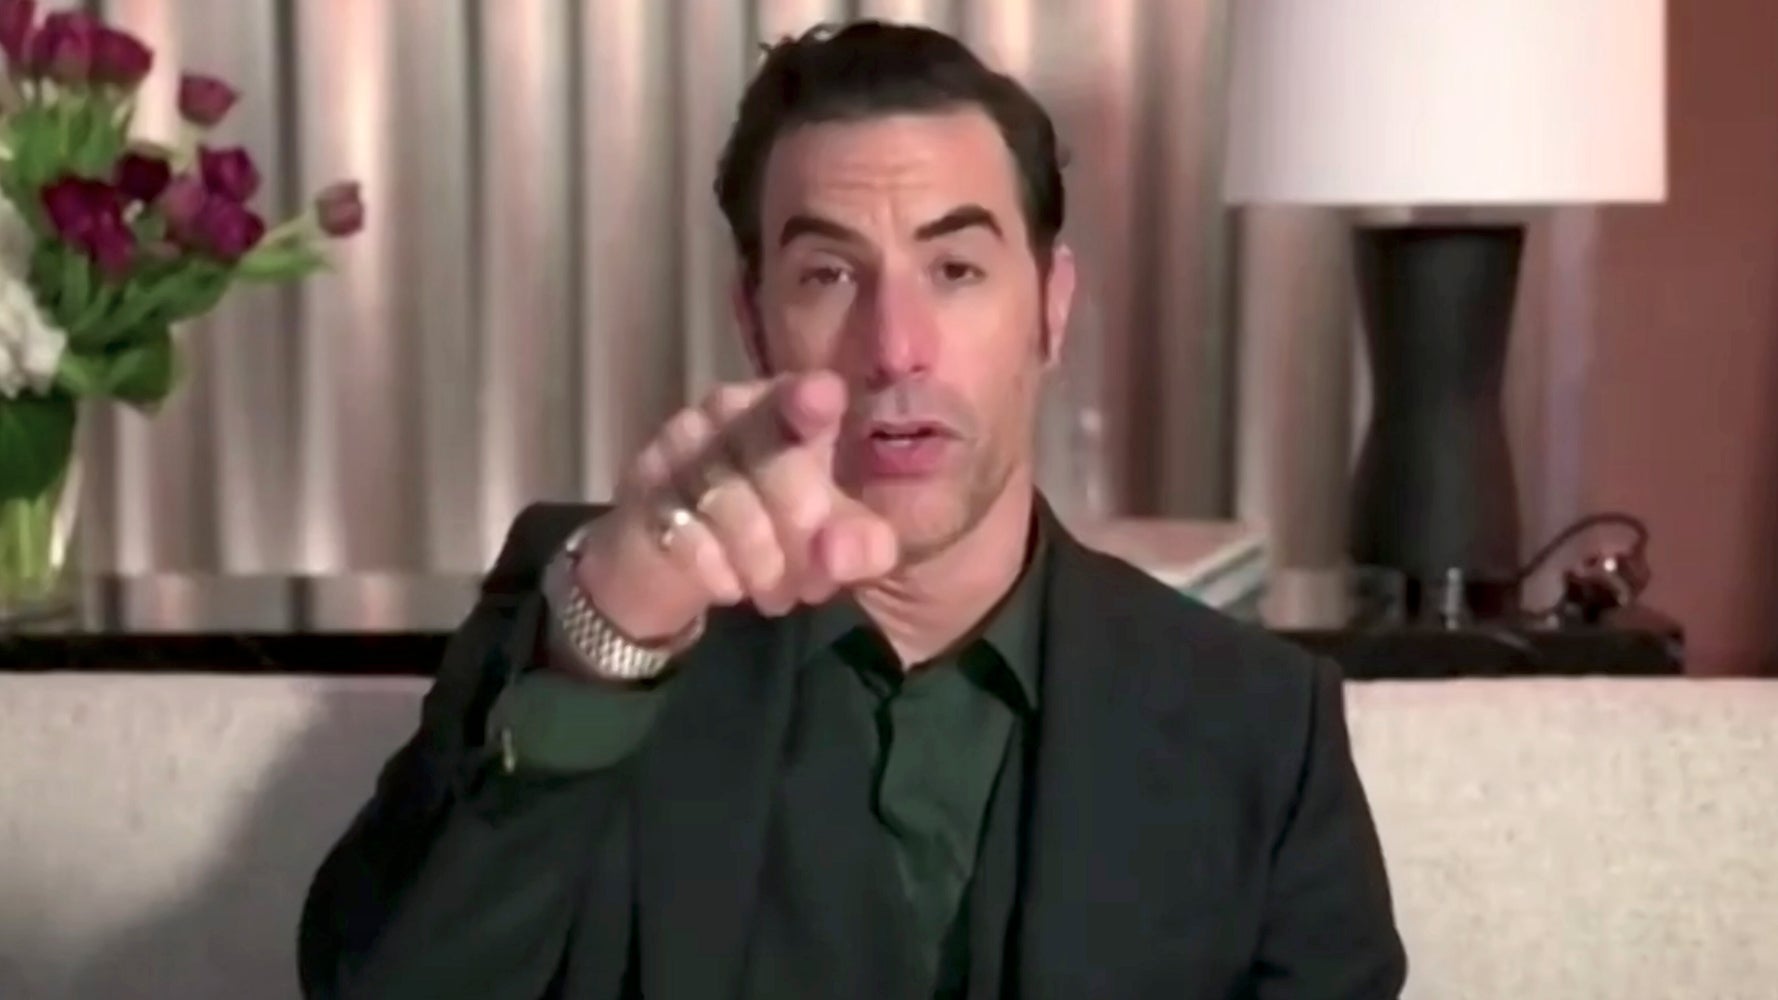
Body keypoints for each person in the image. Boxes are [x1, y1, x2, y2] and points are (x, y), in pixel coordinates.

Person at [297, 19, 1406, 1000]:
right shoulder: (589, 605)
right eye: (828, 275)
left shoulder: (1258, 723)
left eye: (956, 270)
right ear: (753, 320)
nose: (895, 348)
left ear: (1050, 310)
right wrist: (607, 645)